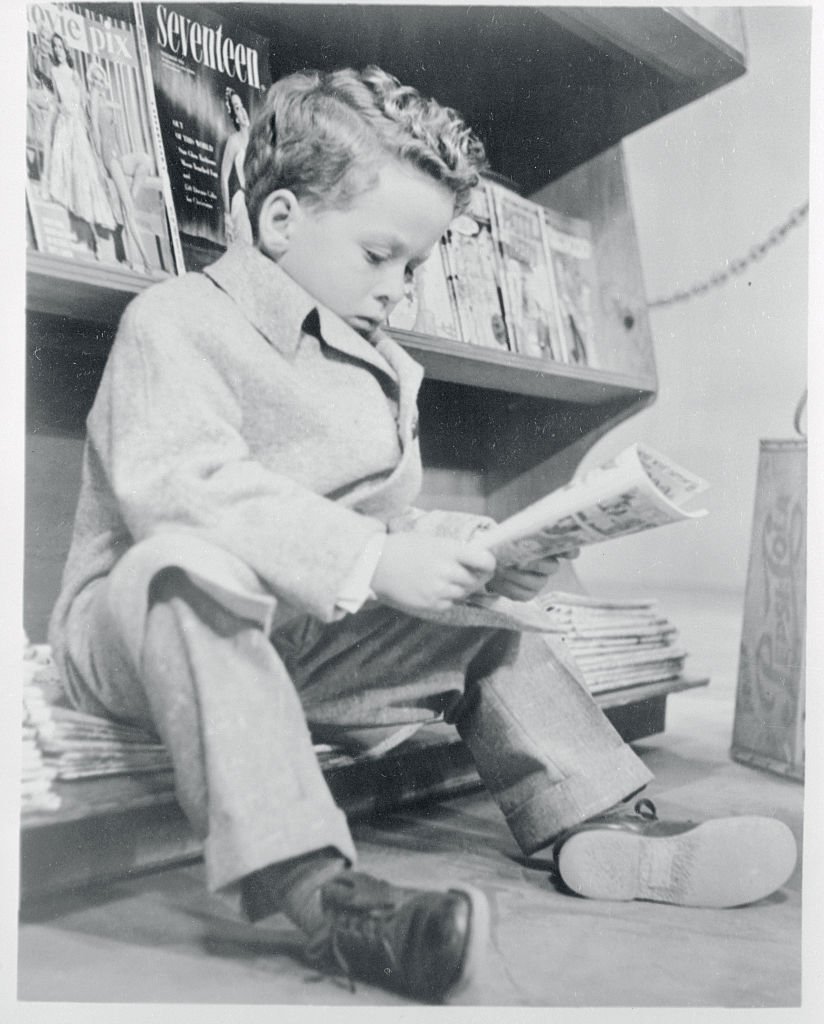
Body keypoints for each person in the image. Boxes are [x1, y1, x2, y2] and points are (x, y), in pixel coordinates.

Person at [49, 66, 797, 1004]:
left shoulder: (381, 365)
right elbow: (179, 490)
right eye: (380, 256)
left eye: (414, 266)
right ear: (281, 222)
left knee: (485, 620)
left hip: (292, 639)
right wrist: (371, 558)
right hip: (140, 632)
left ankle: (598, 820)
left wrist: (487, 551)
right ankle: (324, 896)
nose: (400, 288)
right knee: (185, 567)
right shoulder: (175, 323)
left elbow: (384, 524)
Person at [42, 33, 117, 256]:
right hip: (64, 126)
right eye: (54, 47)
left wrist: (85, 132)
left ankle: (94, 239)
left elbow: (83, 104)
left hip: (77, 127)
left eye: (60, 46)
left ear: (66, 49)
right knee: (65, 176)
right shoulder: (54, 72)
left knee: (84, 176)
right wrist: (52, 126)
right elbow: (56, 102)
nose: (57, 50)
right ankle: (74, 235)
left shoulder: (74, 74)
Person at [87, 61, 154, 274]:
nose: (99, 81)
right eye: (95, 78)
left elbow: (118, 109)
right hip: (109, 156)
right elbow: (96, 132)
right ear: (91, 81)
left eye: (101, 77)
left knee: (145, 160)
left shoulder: (105, 100)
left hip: (117, 154)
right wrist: (99, 158)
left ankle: (129, 199)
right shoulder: (94, 98)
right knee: (129, 210)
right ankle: (143, 260)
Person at [219, 87, 253, 246]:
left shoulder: (257, 138)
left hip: (256, 202)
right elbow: (224, 178)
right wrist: (227, 214)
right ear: (236, 117)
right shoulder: (233, 141)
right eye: (237, 108)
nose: (243, 111)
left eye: (242, 106)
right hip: (241, 203)